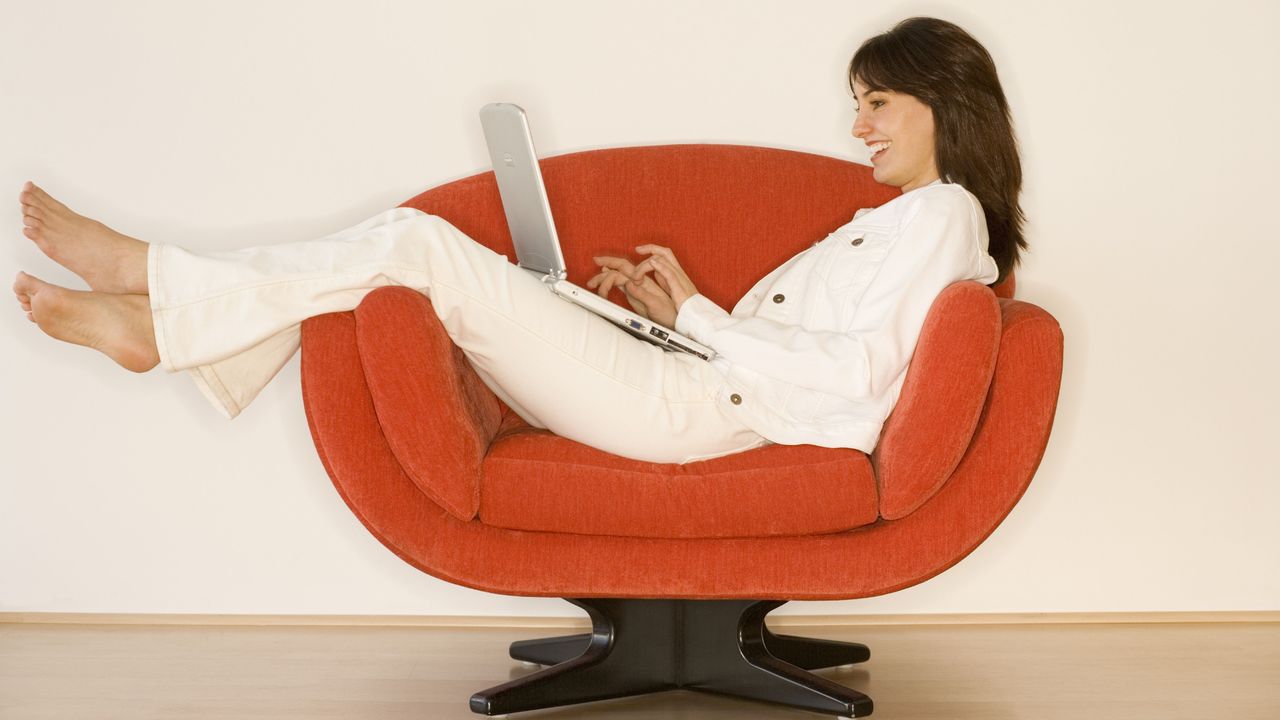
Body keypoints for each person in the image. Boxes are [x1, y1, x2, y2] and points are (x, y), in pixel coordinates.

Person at [11, 16, 1026, 465]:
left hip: (695, 407)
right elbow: (811, 349)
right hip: (677, 374)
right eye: (856, 106)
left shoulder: (944, 216)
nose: (858, 129)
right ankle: (170, 318)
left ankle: (155, 294)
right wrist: (663, 312)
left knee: (413, 242)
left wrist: (699, 318)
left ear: (945, 104)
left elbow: (855, 380)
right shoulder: (900, 220)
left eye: (877, 104)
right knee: (402, 250)